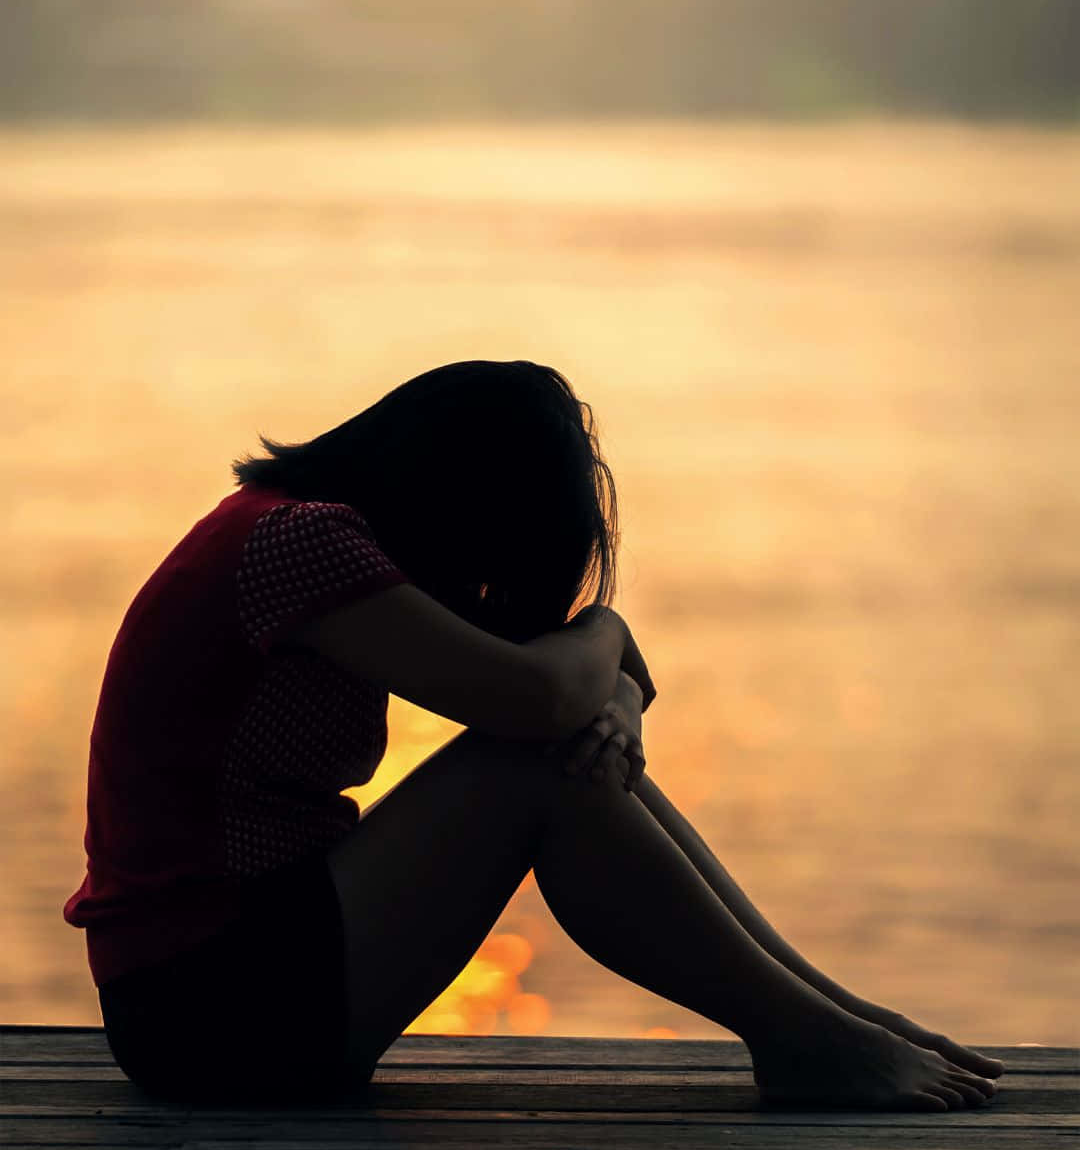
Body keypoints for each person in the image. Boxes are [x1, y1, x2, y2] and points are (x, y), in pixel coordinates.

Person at [64, 358, 1002, 1110]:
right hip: (206, 1007)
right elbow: (541, 697)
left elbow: (580, 694)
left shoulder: (300, 538)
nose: (485, 585)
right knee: (530, 764)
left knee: (555, 753)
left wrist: (616, 698)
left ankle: (832, 1020)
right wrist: (608, 631)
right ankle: (812, 1039)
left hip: (237, 983)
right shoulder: (299, 543)